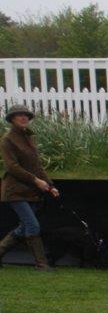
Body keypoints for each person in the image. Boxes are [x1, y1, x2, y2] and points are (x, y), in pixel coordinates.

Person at [0, 103, 58, 270]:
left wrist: (49, 185)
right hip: (15, 191)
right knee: (32, 226)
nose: (24, 117)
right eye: (19, 115)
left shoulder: (29, 138)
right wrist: (36, 181)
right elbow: (12, 167)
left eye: (26, 115)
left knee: (24, 227)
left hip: (31, 191)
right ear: (12, 119)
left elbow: (38, 166)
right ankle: (42, 264)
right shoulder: (7, 140)